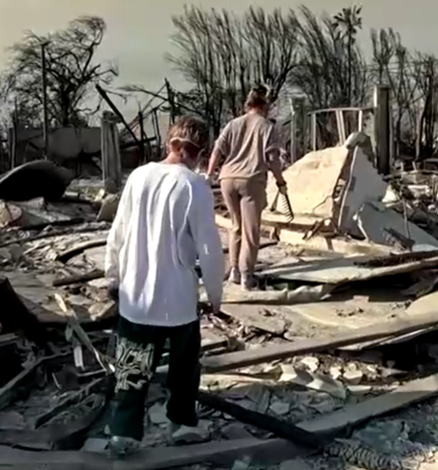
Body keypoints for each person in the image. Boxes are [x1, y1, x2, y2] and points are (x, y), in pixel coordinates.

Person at [104, 116, 224, 457]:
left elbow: (119, 232)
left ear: (169, 144)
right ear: (199, 153)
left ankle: (122, 434)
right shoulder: (194, 186)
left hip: (136, 297)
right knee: (184, 369)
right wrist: (215, 295)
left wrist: (112, 276)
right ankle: (182, 425)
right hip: (178, 298)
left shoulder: (139, 176)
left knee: (132, 367)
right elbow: (209, 248)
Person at [206, 84, 287, 291]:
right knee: (251, 230)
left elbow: (217, 150)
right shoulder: (267, 127)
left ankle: (233, 269)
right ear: (265, 105)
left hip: (227, 178)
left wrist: (209, 174)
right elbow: (273, 159)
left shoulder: (233, 124)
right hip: (251, 179)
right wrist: (280, 181)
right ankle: (246, 275)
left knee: (235, 226)